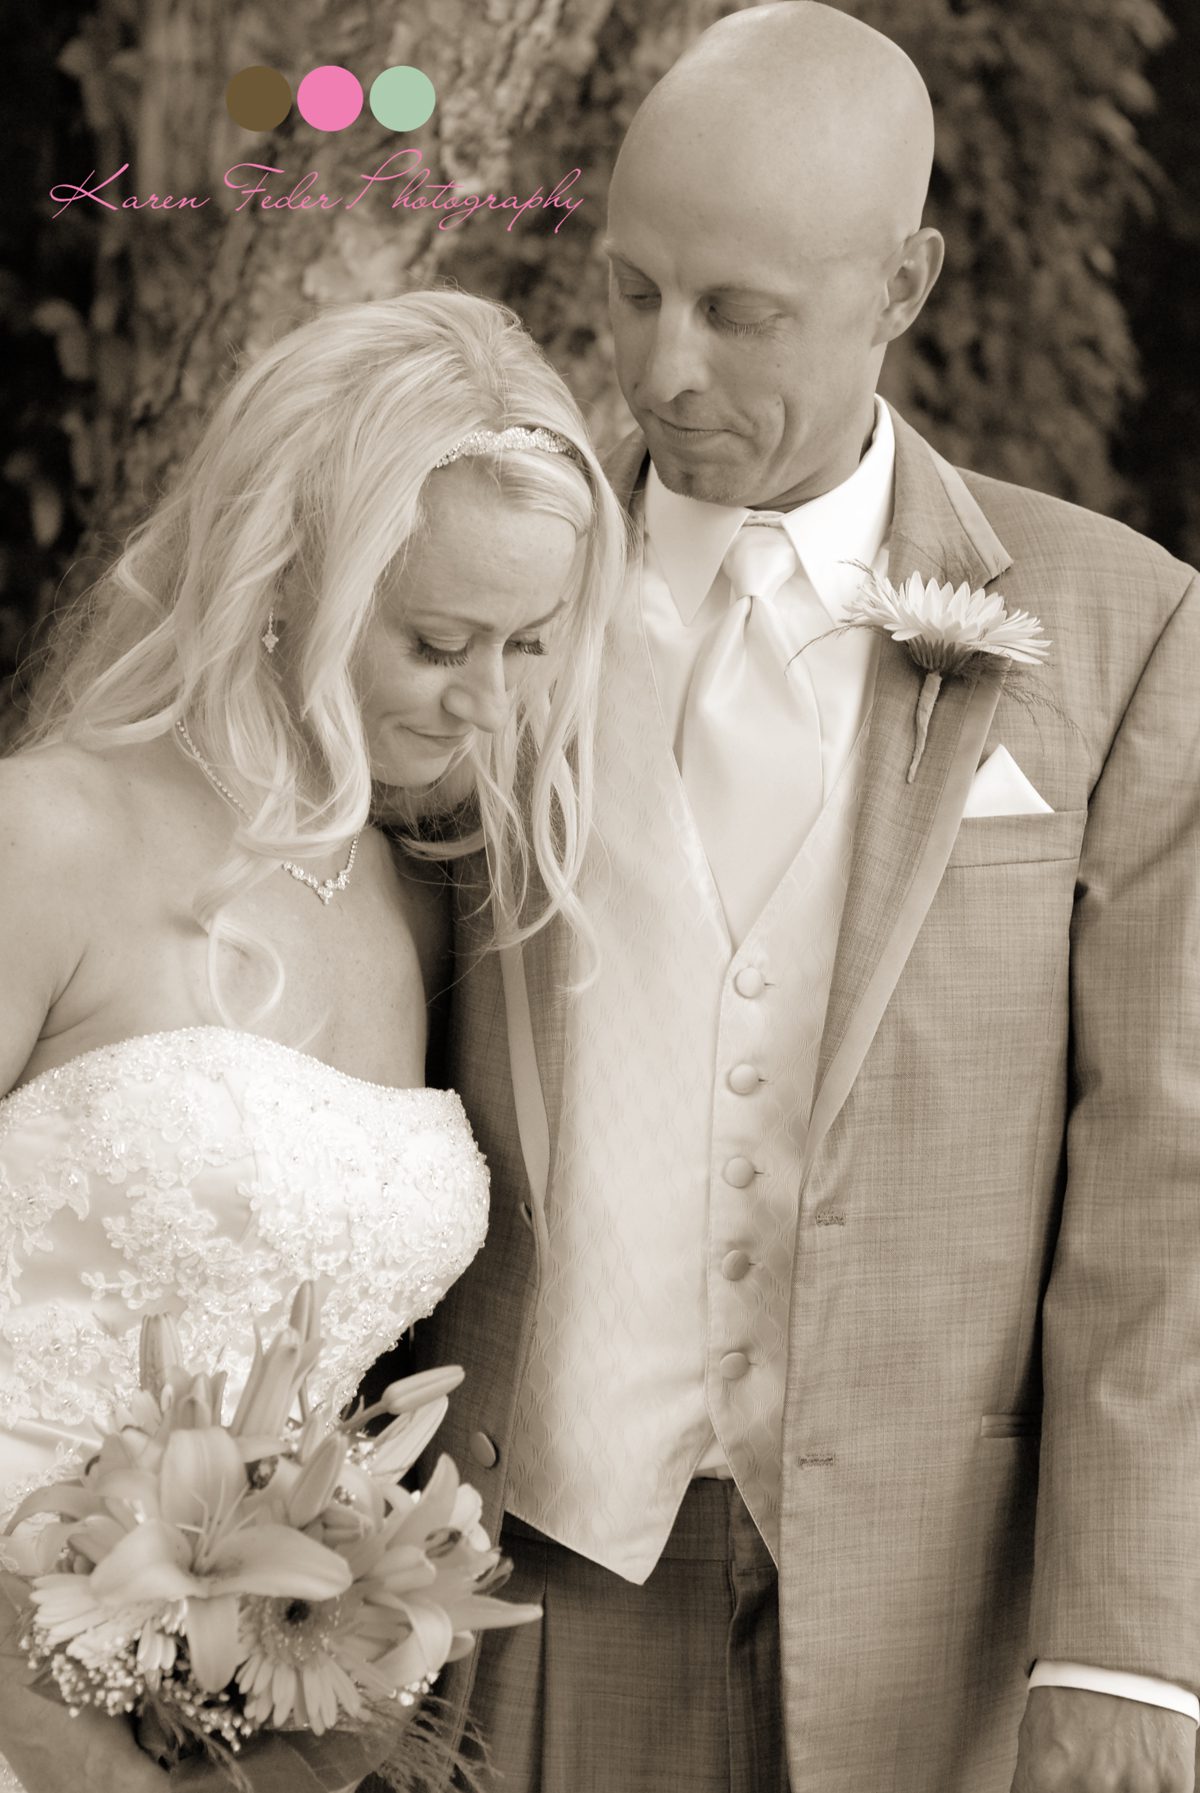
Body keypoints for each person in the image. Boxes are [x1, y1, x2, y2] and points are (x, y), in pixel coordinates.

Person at [400, 7, 1200, 1792]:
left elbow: (1167, 1168)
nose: (660, 368)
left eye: (738, 312)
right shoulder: (490, 592)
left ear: (901, 284)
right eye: (631, 292)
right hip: (535, 1573)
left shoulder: (1123, 627)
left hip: (940, 1610)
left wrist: (1129, 1640)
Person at [0, 287, 625, 1791]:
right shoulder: (48, 835)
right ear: (287, 580)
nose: (491, 703)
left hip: (229, 1718)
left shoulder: (432, 905)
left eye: (533, 645)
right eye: (438, 641)